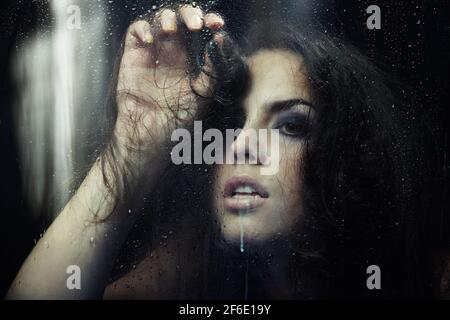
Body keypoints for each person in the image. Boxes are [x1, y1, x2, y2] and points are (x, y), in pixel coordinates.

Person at [7, 3, 433, 299]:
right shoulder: (187, 276)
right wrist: (131, 149)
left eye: (291, 125)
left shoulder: (423, 282)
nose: (242, 145)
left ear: (347, 162)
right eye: (231, 126)